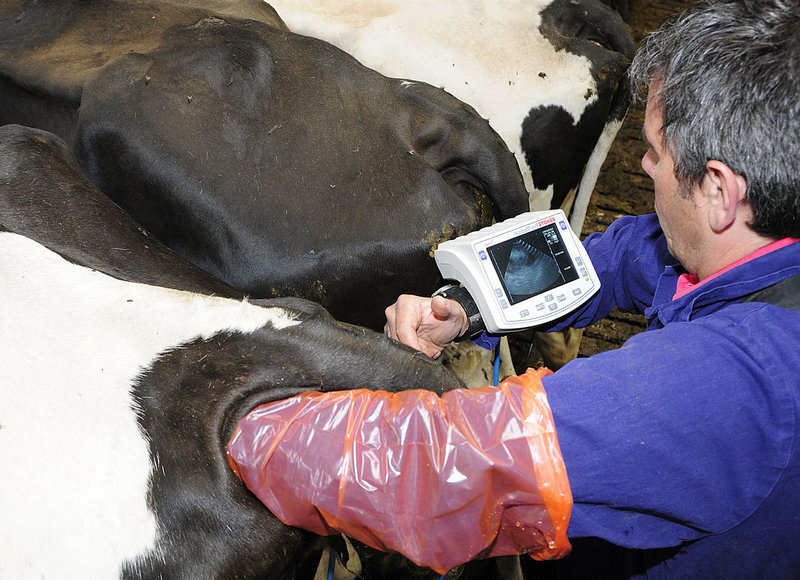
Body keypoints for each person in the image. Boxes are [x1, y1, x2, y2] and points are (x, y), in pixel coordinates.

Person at [227, 1, 800, 577]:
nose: (645, 167)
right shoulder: (752, 252)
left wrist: (231, 421)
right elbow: (626, 255)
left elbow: (436, 467)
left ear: (721, 193)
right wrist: (469, 305)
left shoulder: (729, 385)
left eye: (653, 152)